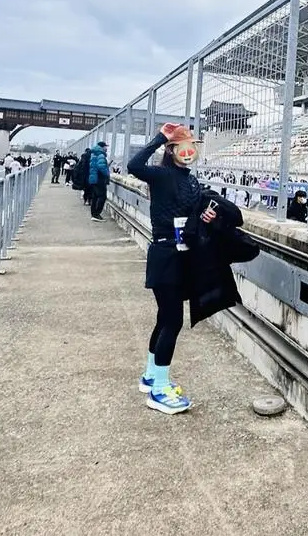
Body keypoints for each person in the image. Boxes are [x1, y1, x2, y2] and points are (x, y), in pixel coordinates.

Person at [127, 122, 216, 415]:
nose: (189, 152)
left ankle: (152, 375)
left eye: (193, 146)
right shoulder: (162, 175)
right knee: (172, 321)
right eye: (182, 147)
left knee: (165, 317)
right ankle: (159, 390)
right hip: (166, 254)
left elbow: (190, 216)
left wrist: (205, 215)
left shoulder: (189, 180)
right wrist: (159, 138)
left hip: (179, 255)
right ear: (172, 151)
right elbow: (134, 165)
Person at [88, 140, 110, 221]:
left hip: (94, 178)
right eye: (106, 147)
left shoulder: (94, 154)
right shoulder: (101, 155)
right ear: (102, 147)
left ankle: (94, 214)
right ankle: (97, 214)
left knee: (95, 197)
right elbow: (101, 167)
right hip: (99, 178)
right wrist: (107, 173)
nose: (107, 148)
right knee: (102, 196)